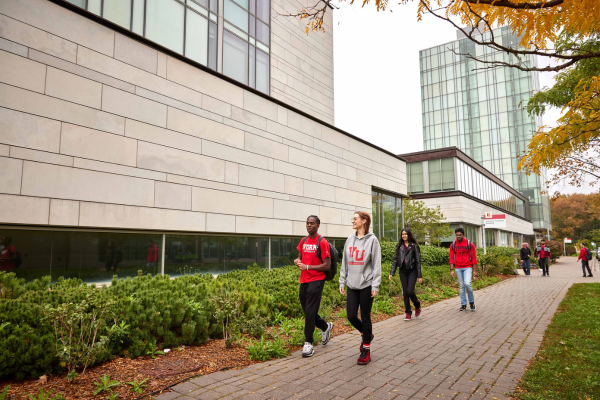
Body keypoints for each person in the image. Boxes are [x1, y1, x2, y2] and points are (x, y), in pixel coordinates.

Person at [339, 211, 381, 365]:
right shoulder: (349, 240)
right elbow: (344, 262)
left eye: (355, 219)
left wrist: (375, 285)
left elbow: (376, 264)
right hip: (352, 284)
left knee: (365, 317)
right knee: (350, 316)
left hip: (366, 285)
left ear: (364, 221)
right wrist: (342, 281)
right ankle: (366, 335)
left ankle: (366, 350)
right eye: (353, 219)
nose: (352, 221)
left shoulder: (373, 240)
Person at [294, 215, 334, 358]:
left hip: (317, 280)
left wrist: (308, 266)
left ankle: (308, 344)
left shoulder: (322, 242)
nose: (309, 225)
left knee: (310, 312)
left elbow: (327, 265)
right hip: (304, 280)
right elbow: (300, 256)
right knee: (307, 311)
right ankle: (325, 326)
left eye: (312, 223)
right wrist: (297, 261)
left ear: (318, 226)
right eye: (308, 223)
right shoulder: (303, 240)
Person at [389, 228, 422, 322]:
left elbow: (418, 261)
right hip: (402, 271)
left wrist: (419, 275)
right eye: (402, 234)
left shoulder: (414, 246)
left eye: (405, 234)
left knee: (410, 291)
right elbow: (395, 259)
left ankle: (417, 305)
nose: (404, 235)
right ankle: (408, 312)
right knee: (405, 293)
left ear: (409, 235)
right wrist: (392, 272)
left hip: (412, 271)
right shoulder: (399, 246)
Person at [449, 227, 478, 311]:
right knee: (461, 286)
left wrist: (475, 271)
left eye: (460, 235)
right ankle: (463, 304)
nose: (458, 236)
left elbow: (474, 257)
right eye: (457, 235)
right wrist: (451, 270)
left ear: (463, 235)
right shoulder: (453, 245)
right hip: (458, 268)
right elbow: (451, 258)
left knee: (467, 283)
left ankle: (471, 302)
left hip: (468, 267)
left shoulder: (469, 244)